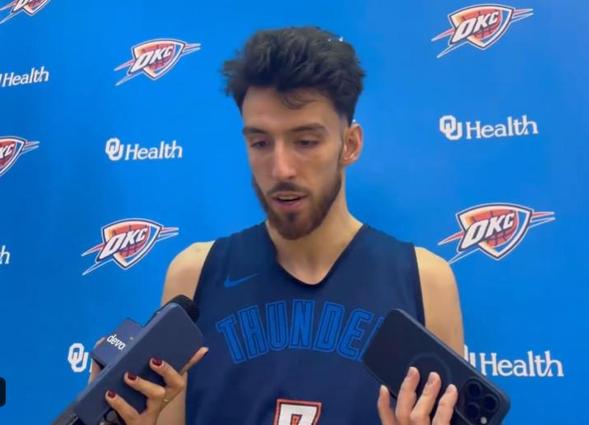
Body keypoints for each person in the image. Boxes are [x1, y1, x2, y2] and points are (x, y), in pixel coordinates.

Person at [90, 26, 464, 425]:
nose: (281, 169)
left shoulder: (424, 281)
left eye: (305, 142)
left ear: (350, 144)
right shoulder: (194, 274)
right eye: (261, 143)